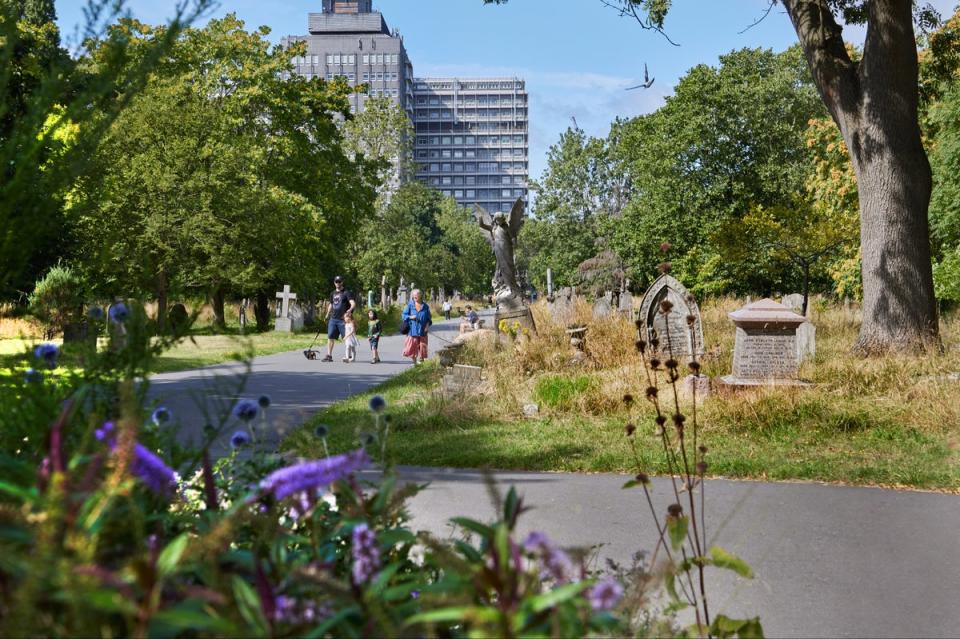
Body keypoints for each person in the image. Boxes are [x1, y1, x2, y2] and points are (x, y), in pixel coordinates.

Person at [322, 275, 355, 362]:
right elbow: (331, 304)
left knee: (347, 338)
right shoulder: (332, 293)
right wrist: (327, 314)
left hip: (344, 320)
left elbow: (353, 303)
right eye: (336, 282)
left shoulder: (346, 293)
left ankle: (349, 356)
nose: (338, 283)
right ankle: (329, 355)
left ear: (342, 282)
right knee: (330, 336)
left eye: (339, 281)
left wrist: (350, 309)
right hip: (333, 318)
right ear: (334, 283)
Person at [402, 288, 432, 364]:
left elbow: (429, 318)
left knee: (423, 346)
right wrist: (410, 317)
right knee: (412, 345)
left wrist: (427, 326)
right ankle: (414, 361)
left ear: (420, 295)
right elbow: (404, 315)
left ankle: (421, 360)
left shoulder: (425, 306)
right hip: (412, 330)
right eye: (413, 295)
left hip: (422, 330)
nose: (414, 296)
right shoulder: (409, 305)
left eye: (416, 295)